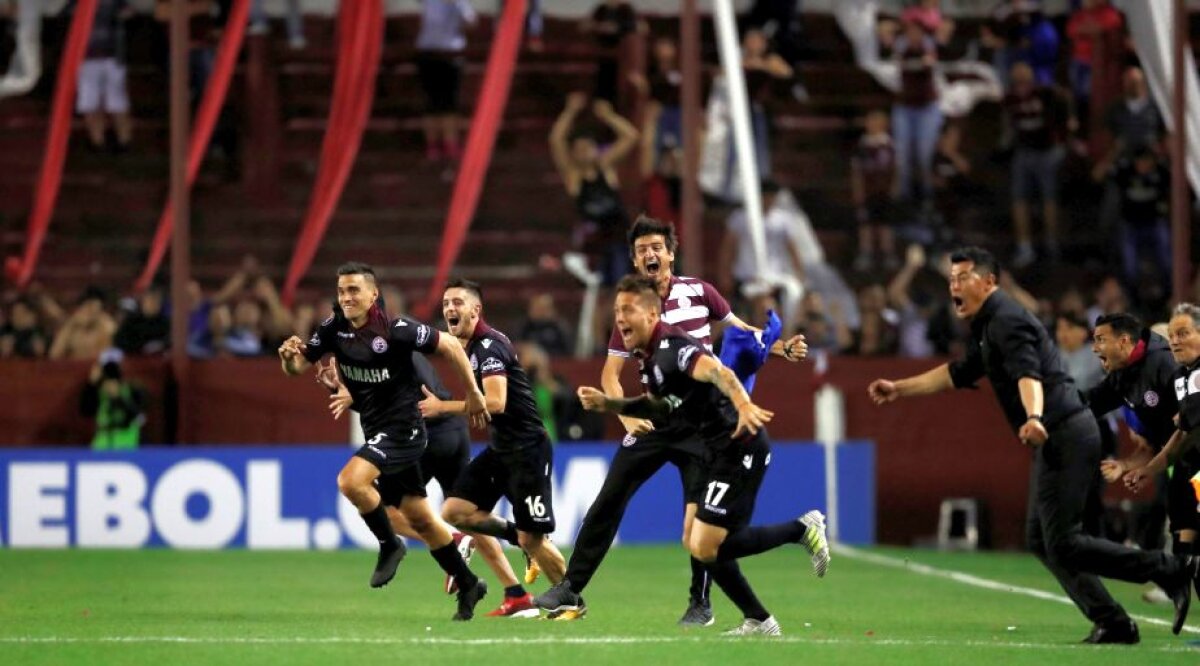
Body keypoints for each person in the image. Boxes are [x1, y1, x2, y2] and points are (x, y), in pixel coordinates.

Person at [868, 246, 1197, 643]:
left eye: (963, 276)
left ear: (988, 282)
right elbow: (958, 372)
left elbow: (1029, 374)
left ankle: (1164, 569)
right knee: (1043, 540)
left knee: (1064, 541)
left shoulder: (1006, 320)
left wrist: (1035, 417)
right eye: (951, 278)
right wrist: (899, 388)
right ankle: (1112, 619)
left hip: (1064, 431)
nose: (953, 285)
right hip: (1059, 431)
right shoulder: (991, 325)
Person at [533, 215, 806, 625]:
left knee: (696, 524)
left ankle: (701, 603)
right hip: (656, 417)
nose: (649, 254)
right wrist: (625, 419)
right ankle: (571, 588)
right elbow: (611, 373)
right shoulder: (630, 312)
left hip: (699, 424)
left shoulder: (700, 292)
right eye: (642, 250)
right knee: (610, 496)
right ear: (635, 259)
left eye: (656, 247)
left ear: (670, 254)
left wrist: (779, 348)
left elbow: (742, 331)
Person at [572, 275, 830, 636]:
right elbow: (661, 407)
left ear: (650, 313)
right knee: (697, 543)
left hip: (740, 445)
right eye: (616, 310)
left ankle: (801, 530)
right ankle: (758, 618)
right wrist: (611, 404)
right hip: (715, 450)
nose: (619, 319)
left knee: (709, 544)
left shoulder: (674, 346)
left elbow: (718, 371)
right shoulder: (651, 360)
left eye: (627, 310)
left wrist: (742, 403)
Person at [278, 262, 491, 621]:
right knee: (421, 519)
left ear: (373, 295)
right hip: (376, 428)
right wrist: (287, 359)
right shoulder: (334, 329)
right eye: (342, 290)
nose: (346, 297)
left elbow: (453, 347)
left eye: (354, 290)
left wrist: (473, 394)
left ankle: (389, 544)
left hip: (404, 428)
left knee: (350, 481)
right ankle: (468, 582)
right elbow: (299, 367)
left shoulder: (398, 329)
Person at [318, 346, 540, 618]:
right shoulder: (393, 344)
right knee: (467, 514)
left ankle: (454, 541)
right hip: (453, 432)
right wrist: (344, 393)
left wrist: (349, 394)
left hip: (422, 436)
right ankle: (516, 591)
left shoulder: (382, 349)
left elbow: (398, 403)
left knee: (388, 510)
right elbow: (385, 398)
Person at [421, 279, 569, 596]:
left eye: (458, 302)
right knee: (454, 511)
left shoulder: (488, 346)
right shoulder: (468, 346)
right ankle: (517, 535)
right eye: (446, 303)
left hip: (528, 449)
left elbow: (496, 402)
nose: (449, 308)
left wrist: (441, 407)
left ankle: (570, 596)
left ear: (476, 309)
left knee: (535, 539)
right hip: (502, 448)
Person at [1087, 313, 1189, 593]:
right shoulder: (1128, 384)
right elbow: (1149, 446)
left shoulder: (1174, 375)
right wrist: (1125, 465)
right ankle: (1176, 580)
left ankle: (1174, 577)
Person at [549, 93, 640, 286]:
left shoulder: (606, 168)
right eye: (579, 149)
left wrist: (609, 116)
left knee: (622, 288)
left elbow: (631, 136)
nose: (584, 152)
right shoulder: (573, 176)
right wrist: (569, 112)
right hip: (593, 244)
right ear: (573, 153)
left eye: (587, 147)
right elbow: (556, 140)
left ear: (596, 149)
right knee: (599, 293)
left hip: (619, 240)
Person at [1003, 62, 1071, 268]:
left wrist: (1067, 127)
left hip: (1048, 151)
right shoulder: (1010, 98)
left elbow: (1066, 99)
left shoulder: (1046, 93)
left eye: (1024, 82)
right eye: (1017, 82)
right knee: (1019, 199)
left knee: (1049, 198)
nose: (1021, 86)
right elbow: (1007, 122)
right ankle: (1025, 247)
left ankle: (1051, 243)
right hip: (1024, 151)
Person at [415, 0, 476, 161]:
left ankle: (450, 142)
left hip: (451, 55)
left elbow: (471, 21)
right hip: (428, 53)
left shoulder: (460, 3)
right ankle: (432, 143)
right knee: (431, 102)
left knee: (449, 102)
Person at [78, 0, 133, 152]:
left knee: (117, 103)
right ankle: (98, 143)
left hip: (112, 56)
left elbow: (128, 11)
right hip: (85, 57)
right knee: (89, 104)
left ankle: (124, 143)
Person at [850, 109, 899, 272]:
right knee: (866, 224)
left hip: (884, 191)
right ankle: (866, 253)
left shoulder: (890, 145)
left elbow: (896, 169)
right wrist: (858, 191)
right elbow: (856, 170)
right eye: (870, 121)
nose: (872, 124)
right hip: (867, 191)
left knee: (885, 224)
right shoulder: (862, 145)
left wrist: (894, 188)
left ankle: (888, 254)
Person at [80, 348, 145, 450]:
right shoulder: (98, 390)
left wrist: (118, 397)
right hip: (102, 444)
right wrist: (91, 386)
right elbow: (85, 411)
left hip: (126, 444)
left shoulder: (133, 389)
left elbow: (139, 418)